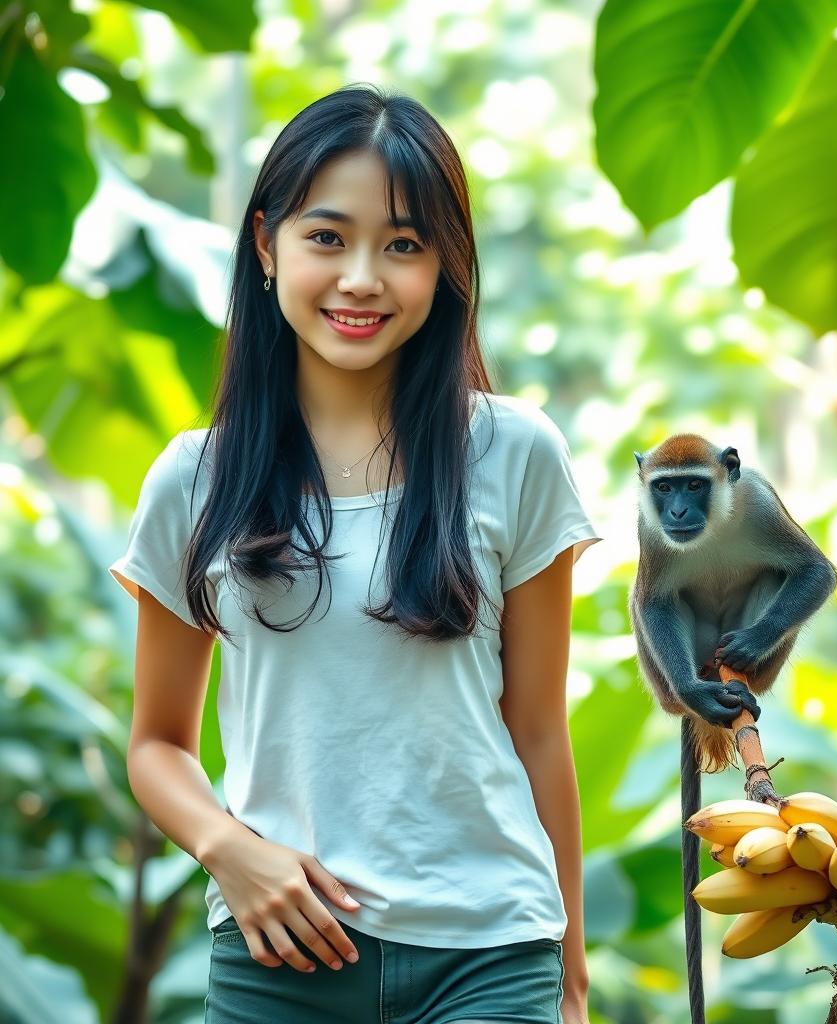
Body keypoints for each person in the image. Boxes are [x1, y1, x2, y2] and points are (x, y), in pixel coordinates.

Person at [107, 83, 601, 1024]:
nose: (363, 278)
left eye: (404, 245)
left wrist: (570, 982)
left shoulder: (516, 452)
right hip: (274, 957)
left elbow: (538, 730)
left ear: (445, 267)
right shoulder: (192, 480)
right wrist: (227, 848)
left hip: (489, 956)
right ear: (267, 245)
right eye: (327, 237)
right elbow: (157, 744)